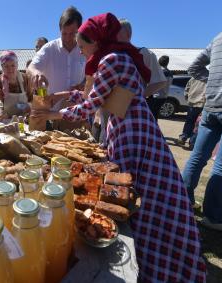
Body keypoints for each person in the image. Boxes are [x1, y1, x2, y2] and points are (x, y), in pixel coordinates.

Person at [32, 13, 206, 282]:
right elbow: (96, 96)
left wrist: (50, 116)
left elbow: (90, 105)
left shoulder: (112, 60)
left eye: (82, 45)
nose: (80, 50)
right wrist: (61, 96)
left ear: (97, 40)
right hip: (128, 125)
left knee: (128, 191)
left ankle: (143, 257)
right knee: (132, 190)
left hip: (131, 131)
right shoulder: (116, 58)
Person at [182, 26, 222, 234]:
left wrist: (213, 82)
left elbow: (193, 68)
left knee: (197, 156)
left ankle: (182, 201)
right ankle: (213, 216)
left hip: (211, 106)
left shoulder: (221, 35)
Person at [27, 6, 86, 94]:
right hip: (52, 107)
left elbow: (89, 76)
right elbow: (31, 68)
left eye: (73, 34)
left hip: (78, 106)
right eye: (64, 33)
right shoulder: (49, 49)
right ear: (59, 30)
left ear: (79, 30)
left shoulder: (85, 49)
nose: (68, 38)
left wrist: (83, 84)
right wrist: (36, 74)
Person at [117, 19, 167, 120]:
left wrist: (138, 96)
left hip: (132, 108)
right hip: (111, 106)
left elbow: (160, 81)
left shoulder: (144, 53)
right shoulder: (111, 54)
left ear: (129, 34)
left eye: (117, 32)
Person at [0, 51, 32, 120]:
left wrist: (29, 106)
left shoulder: (25, 78)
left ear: (17, 65)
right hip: (6, 120)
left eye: (13, 65)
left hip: (24, 119)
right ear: (2, 67)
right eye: (6, 66)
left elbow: (32, 97)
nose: (10, 69)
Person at [178, 77, 206, 149]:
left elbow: (187, 89)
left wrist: (188, 99)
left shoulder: (194, 78)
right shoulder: (210, 78)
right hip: (203, 105)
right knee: (198, 125)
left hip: (192, 103)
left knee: (189, 121)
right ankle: (192, 143)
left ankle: (183, 137)